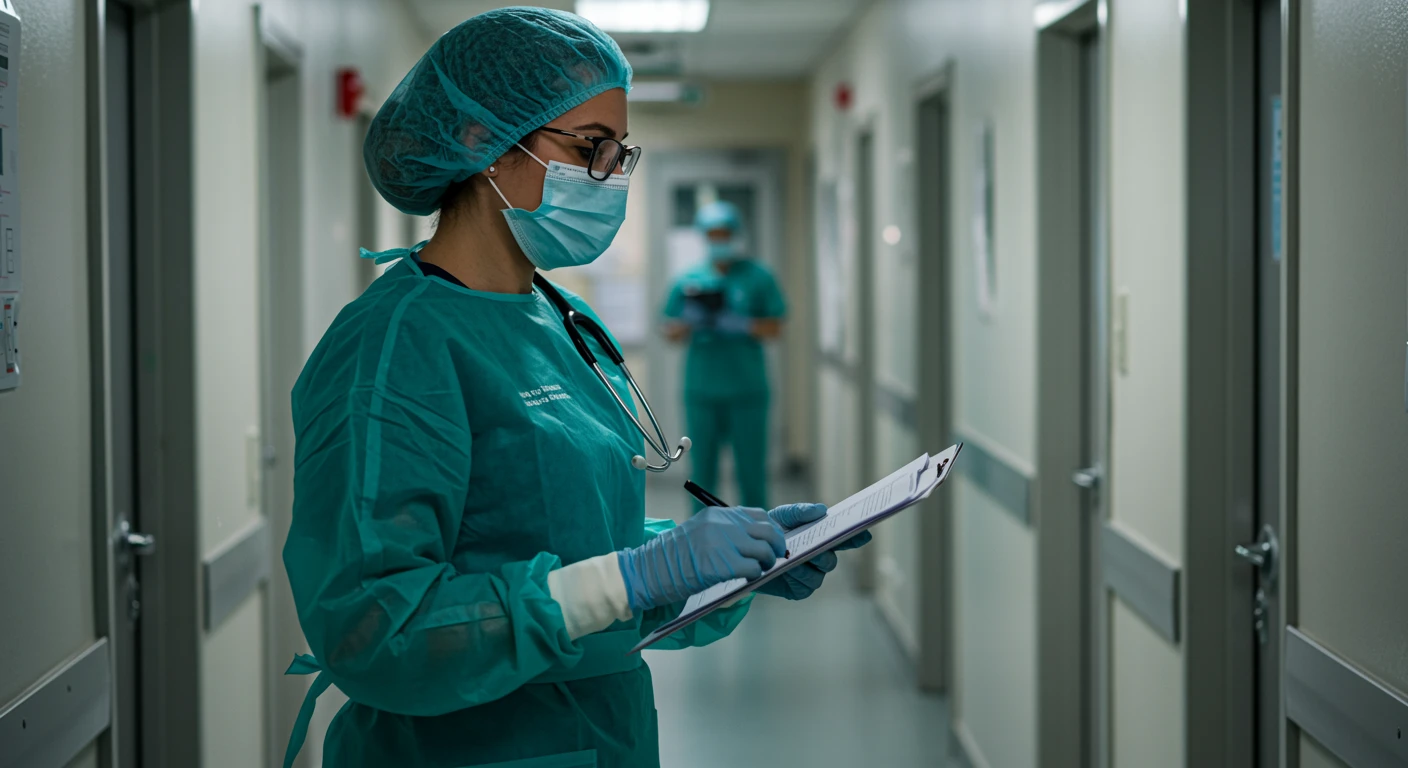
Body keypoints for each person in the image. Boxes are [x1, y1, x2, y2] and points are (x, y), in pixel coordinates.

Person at [279, 8, 869, 768]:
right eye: (590, 148)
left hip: (603, 732)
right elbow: (373, 628)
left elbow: (588, 554)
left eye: (621, 152)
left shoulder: (562, 318)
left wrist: (728, 567)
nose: (612, 176)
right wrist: (639, 573)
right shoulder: (394, 347)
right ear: (477, 141)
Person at [662, 200, 787, 510]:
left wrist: (742, 324)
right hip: (702, 391)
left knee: (752, 473)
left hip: (747, 391)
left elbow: (776, 327)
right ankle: (702, 539)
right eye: (713, 235)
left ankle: (760, 541)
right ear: (705, 237)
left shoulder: (758, 276)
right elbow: (669, 330)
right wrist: (689, 321)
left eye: (724, 233)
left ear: (735, 234)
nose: (719, 240)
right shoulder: (689, 279)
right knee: (701, 474)